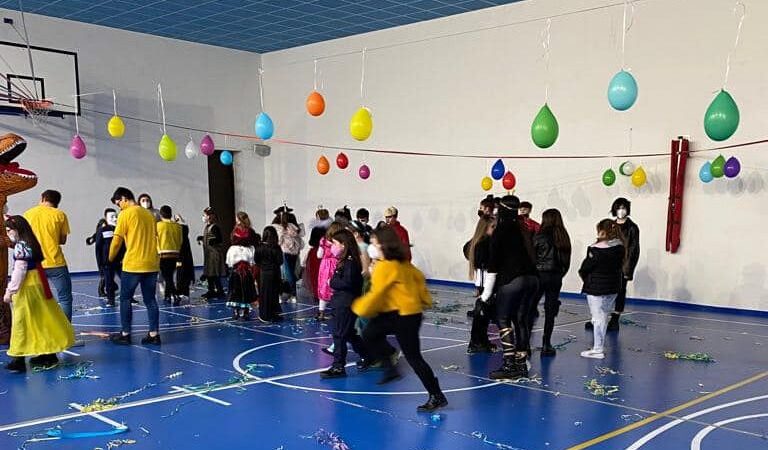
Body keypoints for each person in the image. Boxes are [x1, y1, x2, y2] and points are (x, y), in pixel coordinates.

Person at [353, 226, 447, 412]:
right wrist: (424, 300)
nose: (371, 247)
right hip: (399, 313)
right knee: (370, 332)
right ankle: (390, 365)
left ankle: (436, 395)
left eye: (373, 243)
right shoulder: (403, 264)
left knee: (414, 358)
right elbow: (419, 281)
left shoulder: (386, 267)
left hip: (406, 316)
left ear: (383, 245)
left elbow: (376, 294)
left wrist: (359, 307)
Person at [4, 215, 75, 372]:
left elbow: (19, 271)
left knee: (21, 323)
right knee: (41, 320)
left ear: (17, 230)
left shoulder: (20, 246)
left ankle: (18, 359)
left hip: (27, 288)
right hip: (38, 286)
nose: (7, 233)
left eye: (9, 230)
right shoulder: (31, 243)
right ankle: (47, 354)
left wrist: (10, 291)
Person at [479, 195, 539, 380]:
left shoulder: (501, 230)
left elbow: (493, 264)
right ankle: (521, 364)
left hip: (512, 279)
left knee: (502, 319)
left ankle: (509, 364)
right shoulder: (523, 229)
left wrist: (485, 294)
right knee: (521, 319)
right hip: (532, 279)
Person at [109, 187, 161, 346]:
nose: (119, 207)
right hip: (151, 263)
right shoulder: (149, 214)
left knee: (125, 299)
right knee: (150, 300)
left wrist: (109, 259)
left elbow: (117, 240)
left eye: (119, 203)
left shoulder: (126, 214)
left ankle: (125, 333)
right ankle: (154, 334)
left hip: (133, 264)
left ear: (124, 198)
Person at [320, 229, 371, 378]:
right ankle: (367, 355)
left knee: (340, 334)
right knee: (348, 334)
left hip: (345, 302)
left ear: (343, 244)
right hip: (341, 301)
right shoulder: (344, 261)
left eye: (335, 243)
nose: (332, 247)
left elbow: (347, 282)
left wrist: (332, 281)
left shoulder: (350, 262)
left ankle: (338, 366)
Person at [23, 190, 74, 322]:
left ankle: (40, 332)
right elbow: (62, 240)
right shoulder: (60, 215)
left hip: (34, 263)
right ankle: (65, 332)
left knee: (35, 300)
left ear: (43, 198)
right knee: (65, 298)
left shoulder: (28, 214)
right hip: (55, 262)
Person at [578, 219, 626, 359]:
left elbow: (585, 268)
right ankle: (599, 345)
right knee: (604, 316)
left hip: (596, 287)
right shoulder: (620, 247)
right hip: (613, 286)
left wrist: (585, 277)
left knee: (597, 317)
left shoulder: (595, 249)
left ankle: (598, 348)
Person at [532, 209, 571, 356]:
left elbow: (532, 257)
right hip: (555, 277)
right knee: (550, 311)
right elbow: (566, 262)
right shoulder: (563, 237)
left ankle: (525, 344)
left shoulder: (539, 236)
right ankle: (546, 343)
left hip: (540, 275)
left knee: (530, 308)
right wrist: (560, 274)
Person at [466, 215, 497, 353]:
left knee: (486, 313)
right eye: (492, 227)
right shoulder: (483, 243)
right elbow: (484, 262)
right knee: (482, 312)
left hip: (486, 279)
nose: (495, 230)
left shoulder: (484, 241)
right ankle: (476, 341)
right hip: (486, 280)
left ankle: (481, 340)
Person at [226, 227, 258, 320]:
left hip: (236, 272)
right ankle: (244, 312)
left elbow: (229, 262)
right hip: (245, 273)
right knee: (245, 291)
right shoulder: (250, 248)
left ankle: (237, 311)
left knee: (236, 292)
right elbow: (252, 261)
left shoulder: (232, 248)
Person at [273, 206, 304, 302]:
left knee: (285, 274)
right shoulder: (295, 228)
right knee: (290, 273)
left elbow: (278, 241)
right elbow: (300, 243)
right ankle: (291, 294)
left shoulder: (280, 229)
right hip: (294, 253)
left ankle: (287, 294)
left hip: (283, 252)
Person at [94, 209, 124, 307]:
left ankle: (129, 298)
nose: (115, 219)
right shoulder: (102, 230)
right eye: (112, 217)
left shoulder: (120, 229)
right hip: (107, 262)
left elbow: (124, 246)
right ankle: (111, 300)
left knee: (125, 280)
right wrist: (100, 265)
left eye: (116, 216)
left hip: (120, 261)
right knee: (109, 282)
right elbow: (98, 248)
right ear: (106, 219)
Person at [254, 226, 284, 323]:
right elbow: (280, 261)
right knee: (274, 293)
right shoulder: (276, 248)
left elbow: (256, 260)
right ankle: (274, 313)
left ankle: (265, 315)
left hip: (264, 273)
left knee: (265, 294)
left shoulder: (259, 247)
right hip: (275, 272)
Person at [317, 221, 345, 320]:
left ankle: (321, 312)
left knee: (323, 288)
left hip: (324, 266)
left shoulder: (323, 241)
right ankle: (335, 311)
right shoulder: (340, 242)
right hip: (336, 265)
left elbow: (319, 255)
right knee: (335, 287)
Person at [198, 207, 226, 300]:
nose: (203, 217)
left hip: (214, 254)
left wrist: (212, 241)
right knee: (210, 273)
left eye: (204, 215)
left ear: (209, 216)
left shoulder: (214, 227)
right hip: (208, 254)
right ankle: (212, 290)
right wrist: (202, 238)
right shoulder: (207, 227)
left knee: (213, 273)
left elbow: (219, 239)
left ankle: (218, 290)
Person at [157, 206, 182, 305]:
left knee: (167, 277)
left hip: (163, 254)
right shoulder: (178, 226)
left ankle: (175, 295)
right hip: (175, 254)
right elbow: (180, 241)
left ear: (161, 214)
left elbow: (155, 240)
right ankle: (167, 296)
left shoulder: (158, 225)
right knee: (170, 275)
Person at [85, 216, 108, 297]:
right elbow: (90, 241)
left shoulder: (107, 232)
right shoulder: (98, 233)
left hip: (107, 256)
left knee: (107, 274)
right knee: (104, 275)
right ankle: (101, 291)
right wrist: (90, 240)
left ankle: (110, 287)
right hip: (101, 257)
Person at [303, 225, 326, 305]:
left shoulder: (312, 251)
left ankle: (317, 296)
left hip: (313, 255)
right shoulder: (325, 250)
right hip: (321, 255)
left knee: (314, 277)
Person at [174, 215, 194, 301]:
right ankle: (183, 292)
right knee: (182, 275)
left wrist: (179, 221)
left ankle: (181, 292)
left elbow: (183, 227)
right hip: (184, 259)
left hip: (182, 259)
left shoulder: (182, 237)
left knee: (181, 275)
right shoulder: (184, 238)